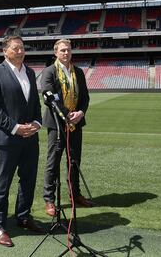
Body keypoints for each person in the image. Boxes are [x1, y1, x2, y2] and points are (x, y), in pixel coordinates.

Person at [0, 35, 44, 248]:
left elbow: (35, 103)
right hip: (8, 137)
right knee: (3, 182)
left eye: (22, 48)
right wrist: (16, 128)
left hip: (30, 137)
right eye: (16, 48)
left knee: (28, 179)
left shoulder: (29, 72)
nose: (20, 51)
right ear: (5, 51)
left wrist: (37, 123)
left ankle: (24, 217)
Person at [41, 39, 94, 217]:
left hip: (76, 124)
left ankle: (75, 194)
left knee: (74, 161)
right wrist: (67, 115)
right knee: (52, 162)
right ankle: (49, 199)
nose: (66, 53)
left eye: (68, 50)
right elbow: (50, 98)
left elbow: (85, 97)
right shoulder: (49, 72)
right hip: (57, 124)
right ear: (55, 53)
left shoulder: (78, 72)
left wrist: (80, 113)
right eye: (62, 50)